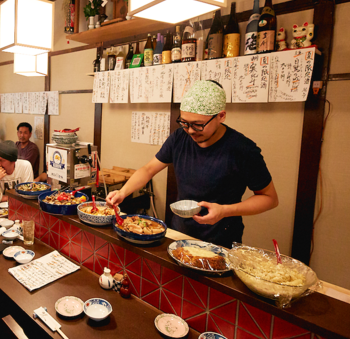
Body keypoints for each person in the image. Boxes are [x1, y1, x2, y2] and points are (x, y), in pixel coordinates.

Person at [106, 80, 279, 248]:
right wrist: (123, 192)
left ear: (221, 116)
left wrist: (225, 210)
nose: (189, 131)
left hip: (220, 239)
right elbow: (149, 169)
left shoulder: (243, 149)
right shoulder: (179, 138)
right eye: (184, 123)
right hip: (180, 233)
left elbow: (269, 199)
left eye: (198, 125)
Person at [0, 140, 34, 205]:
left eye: (1, 160)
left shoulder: (25, 166)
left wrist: (2, 198)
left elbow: (27, 196)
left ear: (13, 161)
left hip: (19, 207)